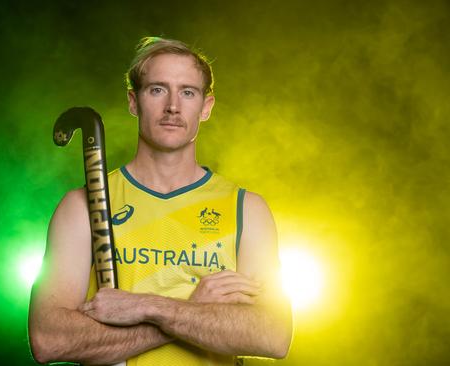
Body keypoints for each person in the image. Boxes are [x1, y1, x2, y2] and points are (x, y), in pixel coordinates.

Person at [28, 36, 293, 366]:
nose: (173, 106)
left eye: (187, 92)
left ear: (206, 107)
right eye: (157, 89)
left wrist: (147, 307)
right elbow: (48, 340)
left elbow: (273, 334)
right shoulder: (83, 206)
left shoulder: (246, 210)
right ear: (133, 102)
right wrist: (192, 312)